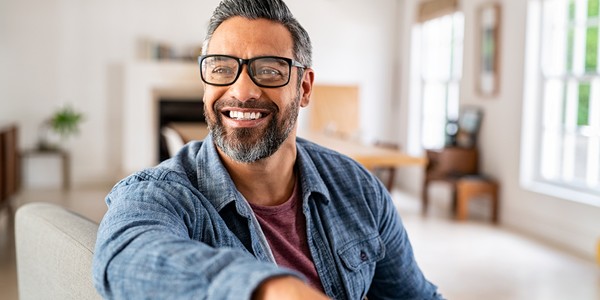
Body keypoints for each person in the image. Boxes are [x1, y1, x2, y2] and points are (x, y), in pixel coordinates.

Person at [92, 0, 442, 299]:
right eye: (222, 68)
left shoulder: (358, 188)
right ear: (205, 84)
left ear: (304, 88)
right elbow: (124, 256)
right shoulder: (163, 193)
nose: (242, 91)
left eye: (270, 71)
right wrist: (270, 290)